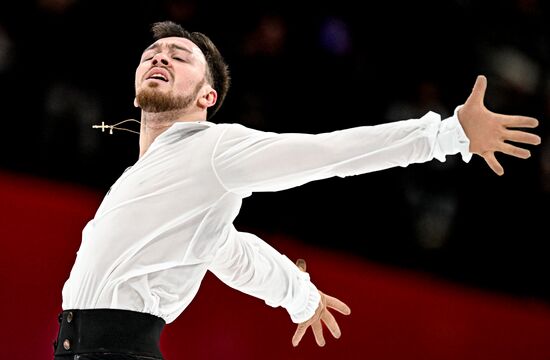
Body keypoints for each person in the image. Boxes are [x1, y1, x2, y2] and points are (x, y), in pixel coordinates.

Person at [53, 20, 541, 360]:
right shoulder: (155, 180)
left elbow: (326, 155)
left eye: (179, 56)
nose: (160, 57)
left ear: (208, 96)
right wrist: (301, 296)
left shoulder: (213, 149)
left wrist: (445, 136)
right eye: (152, 54)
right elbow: (232, 252)